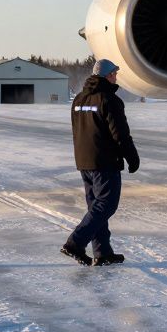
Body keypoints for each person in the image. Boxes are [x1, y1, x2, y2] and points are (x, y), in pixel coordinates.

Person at [61, 59, 139, 266]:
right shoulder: (109, 100)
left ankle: (102, 252)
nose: (116, 77)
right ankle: (75, 243)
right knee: (106, 205)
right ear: (106, 76)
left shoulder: (79, 99)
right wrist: (131, 157)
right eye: (114, 73)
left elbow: (76, 130)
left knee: (96, 207)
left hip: (84, 161)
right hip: (104, 162)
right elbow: (120, 134)